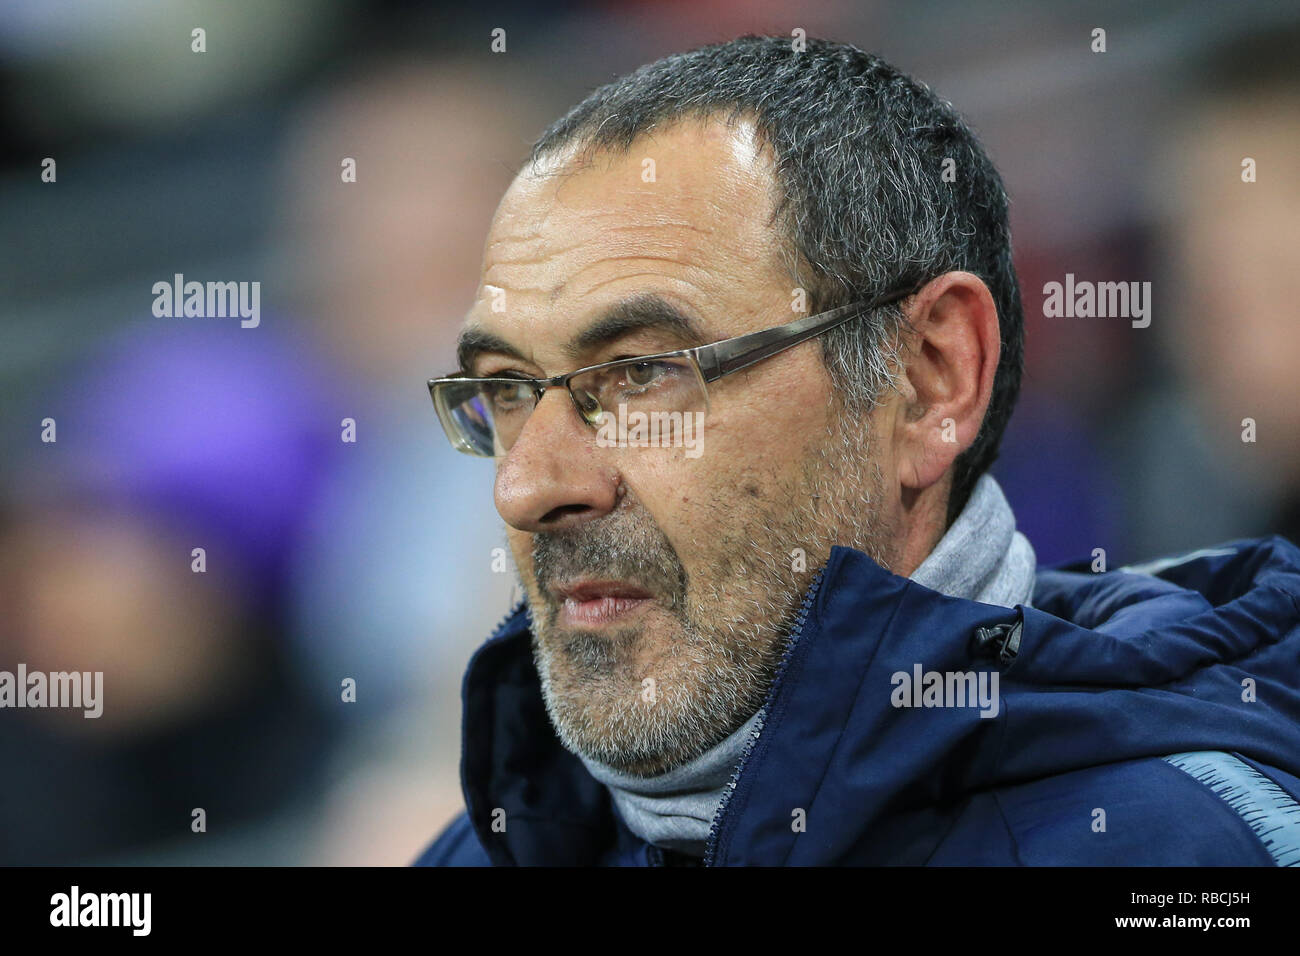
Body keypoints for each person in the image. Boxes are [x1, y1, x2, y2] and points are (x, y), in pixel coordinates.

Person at [414, 36, 1300, 866]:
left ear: (928, 380)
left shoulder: (1187, 856)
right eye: (507, 388)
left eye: (643, 374)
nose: (527, 487)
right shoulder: (482, 845)